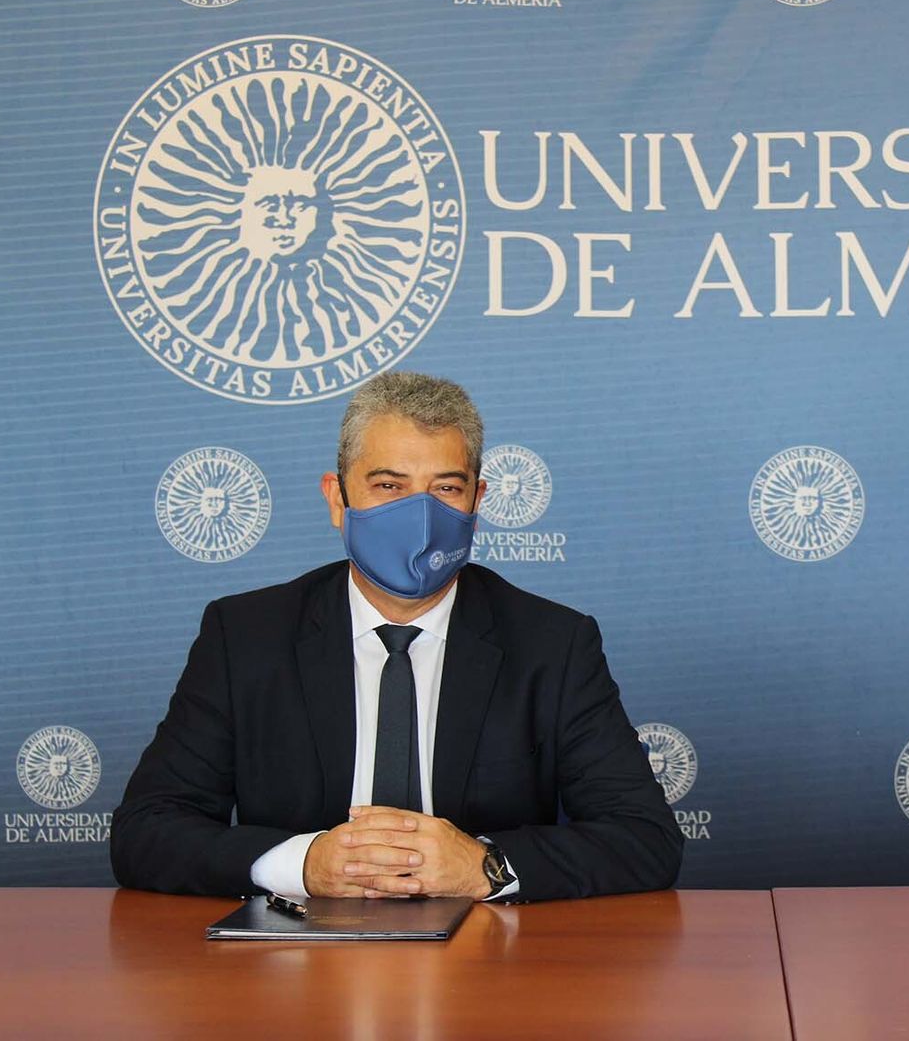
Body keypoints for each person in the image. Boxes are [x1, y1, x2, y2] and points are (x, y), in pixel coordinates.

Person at [112, 372, 681, 901]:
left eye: (447, 489)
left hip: (485, 972)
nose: (421, 514)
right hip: (294, 970)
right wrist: (303, 864)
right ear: (338, 498)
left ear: (478, 502)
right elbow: (146, 831)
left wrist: (484, 866)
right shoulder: (245, 637)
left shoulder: (552, 645)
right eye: (389, 485)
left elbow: (644, 838)